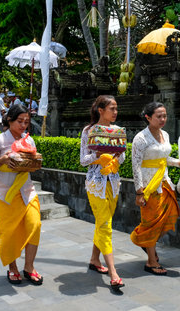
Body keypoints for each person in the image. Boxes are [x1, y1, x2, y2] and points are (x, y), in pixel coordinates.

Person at [131, 102, 180, 275]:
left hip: (165, 182)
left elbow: (165, 158)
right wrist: (139, 192)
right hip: (148, 186)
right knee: (151, 223)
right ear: (148, 117)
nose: (162, 119)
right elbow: (136, 166)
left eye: (164, 116)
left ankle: (146, 243)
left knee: (165, 219)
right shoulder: (141, 138)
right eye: (158, 116)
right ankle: (151, 262)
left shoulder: (165, 134)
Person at [0, 104, 43, 286]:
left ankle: (29, 267)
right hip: (5, 193)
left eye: (26, 122)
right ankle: (13, 268)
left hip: (27, 190)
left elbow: (33, 163)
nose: (23, 125)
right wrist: (2, 160)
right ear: (9, 120)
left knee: (35, 224)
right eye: (19, 121)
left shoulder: (29, 141)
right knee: (9, 233)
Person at [80, 95, 125, 290]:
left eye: (116, 109)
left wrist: (115, 158)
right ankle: (113, 272)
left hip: (113, 182)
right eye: (112, 108)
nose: (115, 112)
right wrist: (98, 156)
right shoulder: (88, 131)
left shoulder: (118, 131)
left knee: (102, 223)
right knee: (106, 225)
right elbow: (83, 160)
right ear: (101, 110)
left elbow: (122, 158)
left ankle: (94, 259)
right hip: (96, 183)